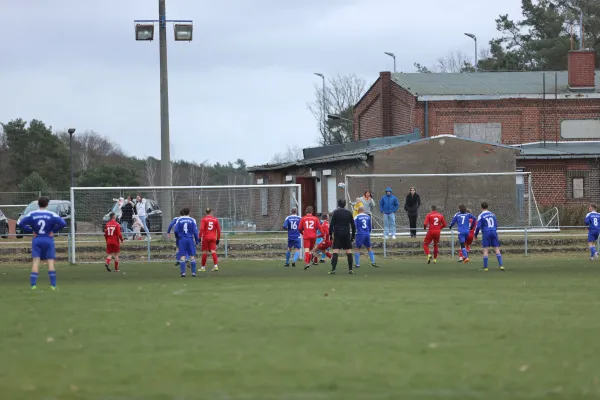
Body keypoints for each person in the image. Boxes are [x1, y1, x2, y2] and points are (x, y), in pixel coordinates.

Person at [17, 196, 67, 290]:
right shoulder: (51, 214)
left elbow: (20, 224)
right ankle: (53, 285)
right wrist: (54, 231)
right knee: (50, 262)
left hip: (37, 239)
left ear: (38, 204)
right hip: (48, 239)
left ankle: (33, 285)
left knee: (36, 262)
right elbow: (63, 223)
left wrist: (31, 231)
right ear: (47, 204)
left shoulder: (32, 214)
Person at [329, 199, 356, 275]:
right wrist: (353, 236)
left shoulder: (335, 213)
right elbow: (353, 225)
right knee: (348, 251)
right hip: (346, 234)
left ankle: (333, 270)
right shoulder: (349, 213)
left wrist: (330, 235)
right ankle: (350, 269)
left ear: (338, 204)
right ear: (345, 204)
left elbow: (331, 225)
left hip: (337, 234)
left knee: (335, 251)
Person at [474, 202, 504, 272]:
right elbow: (496, 224)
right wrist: (494, 230)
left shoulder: (481, 215)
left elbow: (478, 226)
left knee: (485, 249)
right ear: (487, 207)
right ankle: (501, 266)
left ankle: (486, 267)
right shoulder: (493, 214)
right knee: (496, 248)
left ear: (481, 207)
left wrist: (475, 235)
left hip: (486, 232)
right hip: (493, 231)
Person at [174, 208, 199, 277]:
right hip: (190, 239)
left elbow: (175, 230)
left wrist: (177, 237)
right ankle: (193, 273)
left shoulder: (179, 220)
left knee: (182, 256)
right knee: (192, 256)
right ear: (189, 212)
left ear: (183, 212)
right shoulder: (192, 220)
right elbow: (195, 232)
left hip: (182, 239)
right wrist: (197, 240)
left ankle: (183, 273)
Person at [199, 208, 221, 272]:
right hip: (213, 237)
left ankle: (203, 267)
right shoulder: (215, 220)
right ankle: (216, 266)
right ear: (211, 212)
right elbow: (218, 230)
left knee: (204, 252)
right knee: (213, 251)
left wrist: (199, 237)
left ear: (206, 212)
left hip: (206, 237)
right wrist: (218, 238)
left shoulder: (203, 219)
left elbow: (201, 229)